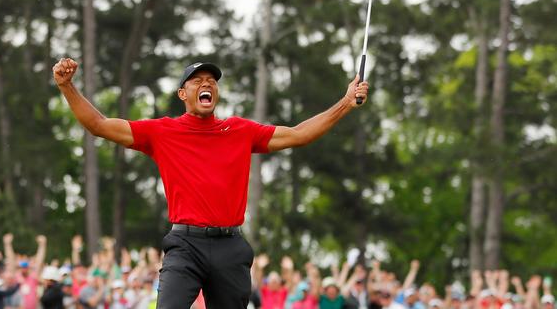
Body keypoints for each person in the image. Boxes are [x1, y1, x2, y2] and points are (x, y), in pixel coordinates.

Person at [52, 58, 369, 308]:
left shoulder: (240, 130)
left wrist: (345, 102)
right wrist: (67, 87)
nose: (207, 85)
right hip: (185, 245)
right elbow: (99, 125)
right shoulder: (161, 132)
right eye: (197, 81)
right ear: (183, 94)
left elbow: (299, 135)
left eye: (212, 82)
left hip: (230, 246)